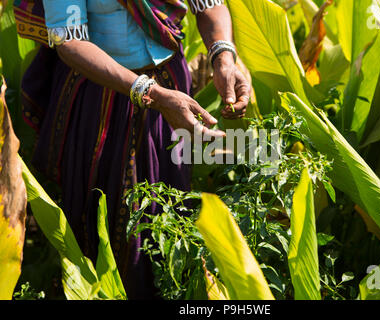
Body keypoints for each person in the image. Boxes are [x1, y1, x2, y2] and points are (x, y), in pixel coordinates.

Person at [13, 0, 251, 298]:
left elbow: (208, 6)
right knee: (103, 210)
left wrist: (223, 58)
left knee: (169, 200)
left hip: (171, 88)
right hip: (104, 95)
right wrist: (152, 93)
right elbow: (70, 41)